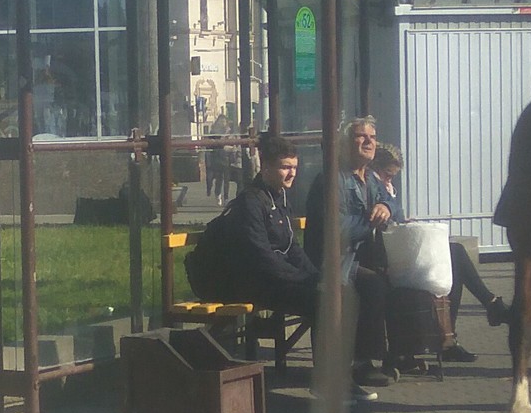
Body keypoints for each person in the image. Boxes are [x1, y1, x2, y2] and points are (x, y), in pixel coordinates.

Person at [370, 144, 509, 364]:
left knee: (452, 258)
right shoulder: (374, 186)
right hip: (387, 255)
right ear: (376, 168)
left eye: (393, 177)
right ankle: (481, 311)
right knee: (454, 254)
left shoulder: (384, 188)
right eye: (388, 175)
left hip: (397, 248)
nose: (390, 181)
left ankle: (455, 332)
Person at [185, 129, 318, 320]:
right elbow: (261, 256)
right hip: (243, 284)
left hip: (268, 281)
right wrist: (303, 278)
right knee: (321, 301)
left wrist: (316, 276)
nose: (292, 174)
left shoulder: (279, 198)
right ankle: (327, 350)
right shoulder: (250, 202)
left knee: (331, 295)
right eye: (285, 168)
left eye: (295, 168)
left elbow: (292, 247)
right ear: (265, 169)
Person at [303, 117, 394, 393]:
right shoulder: (332, 180)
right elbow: (337, 229)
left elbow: (393, 205)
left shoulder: (371, 179)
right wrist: (372, 221)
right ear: (344, 143)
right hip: (334, 263)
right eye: (361, 136)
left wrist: (386, 206)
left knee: (399, 282)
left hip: (360, 259)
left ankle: (374, 360)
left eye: (373, 137)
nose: (369, 141)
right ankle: (342, 370)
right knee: (371, 285)